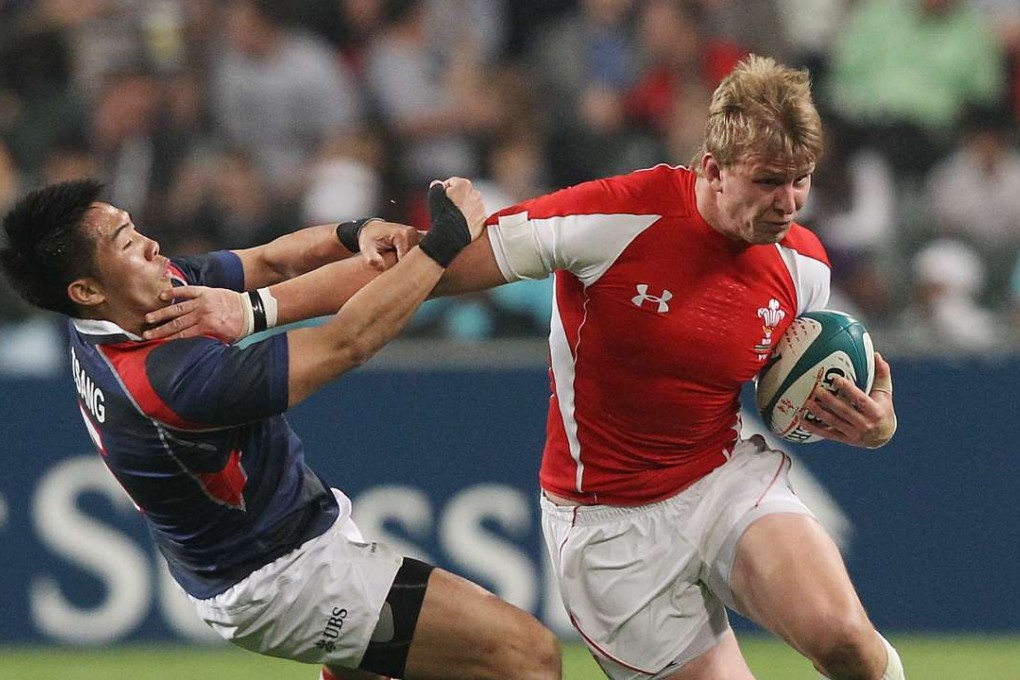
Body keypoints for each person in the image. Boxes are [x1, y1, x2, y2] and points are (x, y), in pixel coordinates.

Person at [139, 55, 903, 680]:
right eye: (769, 181)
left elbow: (808, 382)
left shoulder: (803, 266)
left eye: (801, 179)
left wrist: (873, 425)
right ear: (714, 166)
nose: (790, 202)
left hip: (723, 476)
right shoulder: (615, 218)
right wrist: (255, 311)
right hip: (608, 529)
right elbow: (423, 264)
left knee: (847, 643)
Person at [0, 177, 561, 680]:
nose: (151, 244)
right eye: (126, 242)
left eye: (133, 226)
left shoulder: (137, 303)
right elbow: (346, 342)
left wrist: (359, 232)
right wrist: (443, 244)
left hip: (281, 544)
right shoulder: (165, 382)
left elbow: (271, 262)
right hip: (285, 578)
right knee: (526, 656)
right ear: (86, 292)